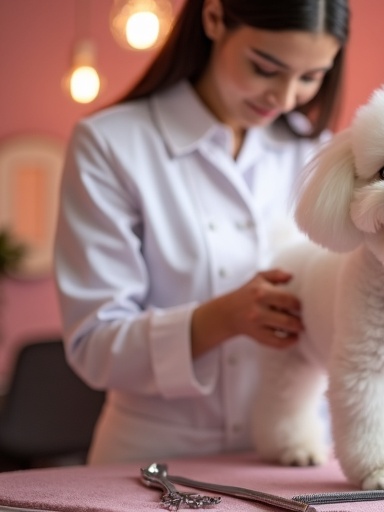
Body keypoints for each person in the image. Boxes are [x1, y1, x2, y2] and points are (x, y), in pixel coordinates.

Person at [54, 0, 350, 464]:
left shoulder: (316, 152)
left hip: (297, 453)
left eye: (310, 77)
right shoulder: (111, 144)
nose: (285, 97)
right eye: (265, 67)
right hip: (153, 457)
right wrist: (221, 318)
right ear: (213, 18)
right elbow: (94, 345)